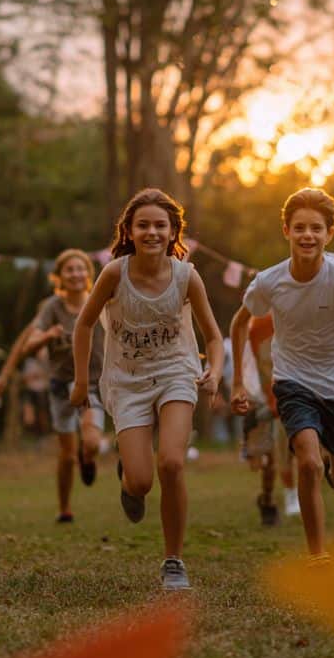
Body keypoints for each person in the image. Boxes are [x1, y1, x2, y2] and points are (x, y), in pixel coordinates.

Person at [229, 188, 334, 563]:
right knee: (308, 463)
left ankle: (321, 446)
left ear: (329, 234)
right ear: (287, 231)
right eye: (300, 227)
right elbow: (239, 323)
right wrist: (239, 382)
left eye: (316, 228)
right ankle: (317, 554)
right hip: (294, 380)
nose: (308, 235)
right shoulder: (270, 282)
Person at [72, 188, 225, 591]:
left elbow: (213, 336)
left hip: (176, 372)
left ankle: (173, 561)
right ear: (129, 230)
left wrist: (217, 372)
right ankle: (128, 477)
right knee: (141, 481)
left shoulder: (186, 276)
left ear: (174, 231)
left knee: (172, 463)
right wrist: (80, 382)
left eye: (161, 225)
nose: (152, 232)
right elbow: (84, 325)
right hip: (127, 380)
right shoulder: (113, 273)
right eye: (143, 225)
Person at [22, 249, 107, 522]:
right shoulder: (52, 308)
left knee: (91, 441)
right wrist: (47, 334)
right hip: (61, 386)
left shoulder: (100, 301)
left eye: (80, 268)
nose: (76, 274)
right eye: (69, 270)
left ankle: (89, 457)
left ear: (88, 274)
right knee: (67, 455)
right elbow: (28, 345)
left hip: (93, 383)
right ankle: (64, 508)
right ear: (59, 276)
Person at [240, 313, 298, 525]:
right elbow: (248, 365)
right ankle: (267, 498)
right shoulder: (252, 326)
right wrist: (255, 397)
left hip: (287, 397)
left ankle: (289, 496)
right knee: (266, 462)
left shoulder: (289, 317)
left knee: (291, 450)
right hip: (261, 399)